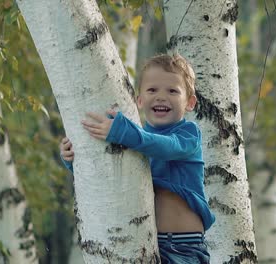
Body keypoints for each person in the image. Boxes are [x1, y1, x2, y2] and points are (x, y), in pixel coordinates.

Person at [60, 54, 215, 263]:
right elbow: (114, 178)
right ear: (139, 100)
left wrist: (125, 132)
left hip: (184, 247)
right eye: (152, 90)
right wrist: (73, 161)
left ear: (189, 102)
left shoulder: (188, 134)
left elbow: (166, 147)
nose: (161, 96)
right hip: (145, 242)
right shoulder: (137, 142)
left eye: (172, 91)